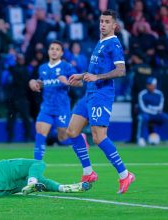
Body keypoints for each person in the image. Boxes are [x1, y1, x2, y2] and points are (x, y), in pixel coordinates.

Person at [67, 10, 135, 194]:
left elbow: (121, 70)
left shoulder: (114, 43)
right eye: (101, 21)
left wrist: (97, 77)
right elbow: (96, 68)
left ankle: (124, 174)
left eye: (107, 22)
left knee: (98, 137)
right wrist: (82, 76)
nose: (102, 24)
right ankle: (88, 172)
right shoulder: (100, 42)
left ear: (114, 25)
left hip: (102, 95)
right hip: (89, 93)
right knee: (72, 131)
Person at [29, 40, 86, 160]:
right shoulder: (43, 68)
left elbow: (80, 83)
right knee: (40, 136)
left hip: (62, 108)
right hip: (47, 108)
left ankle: (81, 138)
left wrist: (67, 81)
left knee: (63, 138)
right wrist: (34, 82)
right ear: (48, 51)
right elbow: (41, 82)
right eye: (52, 48)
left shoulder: (66, 66)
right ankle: (36, 167)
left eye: (57, 49)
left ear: (61, 53)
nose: (54, 51)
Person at [137, 77, 168, 146]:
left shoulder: (159, 94)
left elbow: (160, 107)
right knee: (144, 118)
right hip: (146, 114)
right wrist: (153, 111)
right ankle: (141, 139)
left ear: (155, 85)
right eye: (148, 84)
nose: (149, 86)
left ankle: (166, 138)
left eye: (151, 84)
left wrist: (152, 109)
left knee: (166, 117)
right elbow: (143, 108)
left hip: (157, 114)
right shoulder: (142, 94)